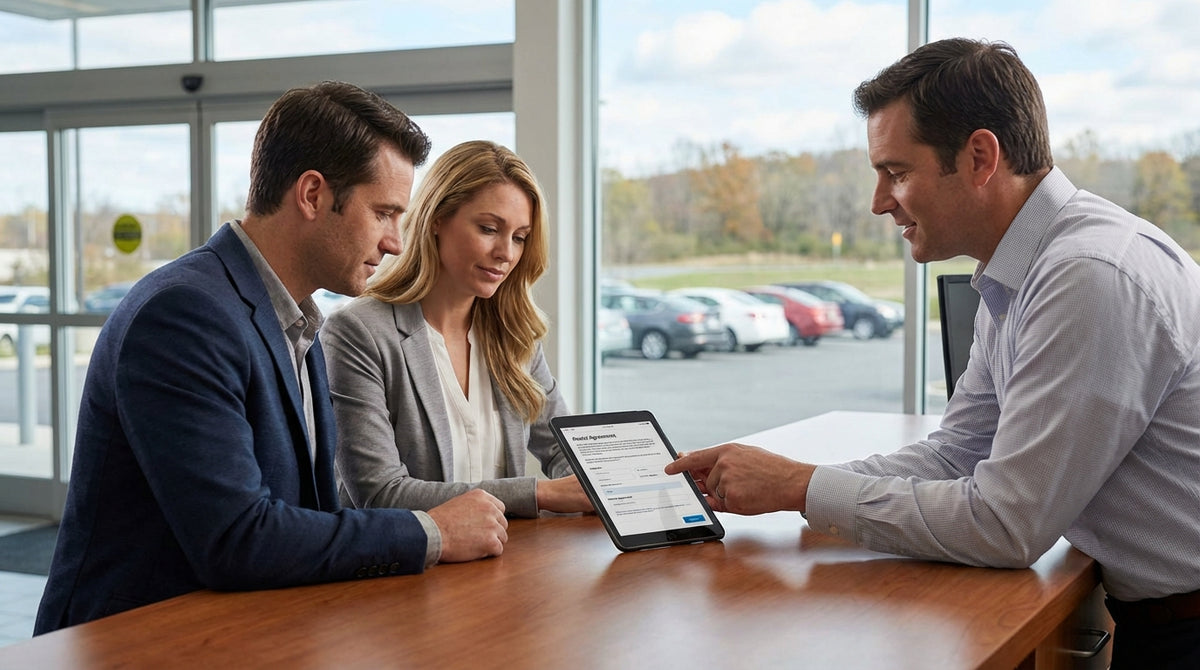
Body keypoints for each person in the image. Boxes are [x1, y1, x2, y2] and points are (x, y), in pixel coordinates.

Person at [666, 38, 1200, 668]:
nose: (878, 202)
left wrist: (802, 487)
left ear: (979, 157)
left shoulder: (1088, 275)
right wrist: (787, 483)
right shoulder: (1023, 272)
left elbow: (1007, 524)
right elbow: (957, 451)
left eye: (896, 172)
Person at [35, 82, 509, 634]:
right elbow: (237, 538)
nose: (396, 243)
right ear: (311, 195)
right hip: (137, 644)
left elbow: (309, 515)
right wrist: (432, 531)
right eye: (384, 213)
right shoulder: (185, 314)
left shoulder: (299, 319)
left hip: (243, 634)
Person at [322, 140, 591, 518]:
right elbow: (380, 492)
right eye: (488, 228)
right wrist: (540, 494)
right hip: (404, 571)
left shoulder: (515, 337)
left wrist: (621, 478)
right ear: (436, 219)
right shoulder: (358, 332)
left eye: (519, 237)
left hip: (502, 566)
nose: (507, 253)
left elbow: (566, 451)